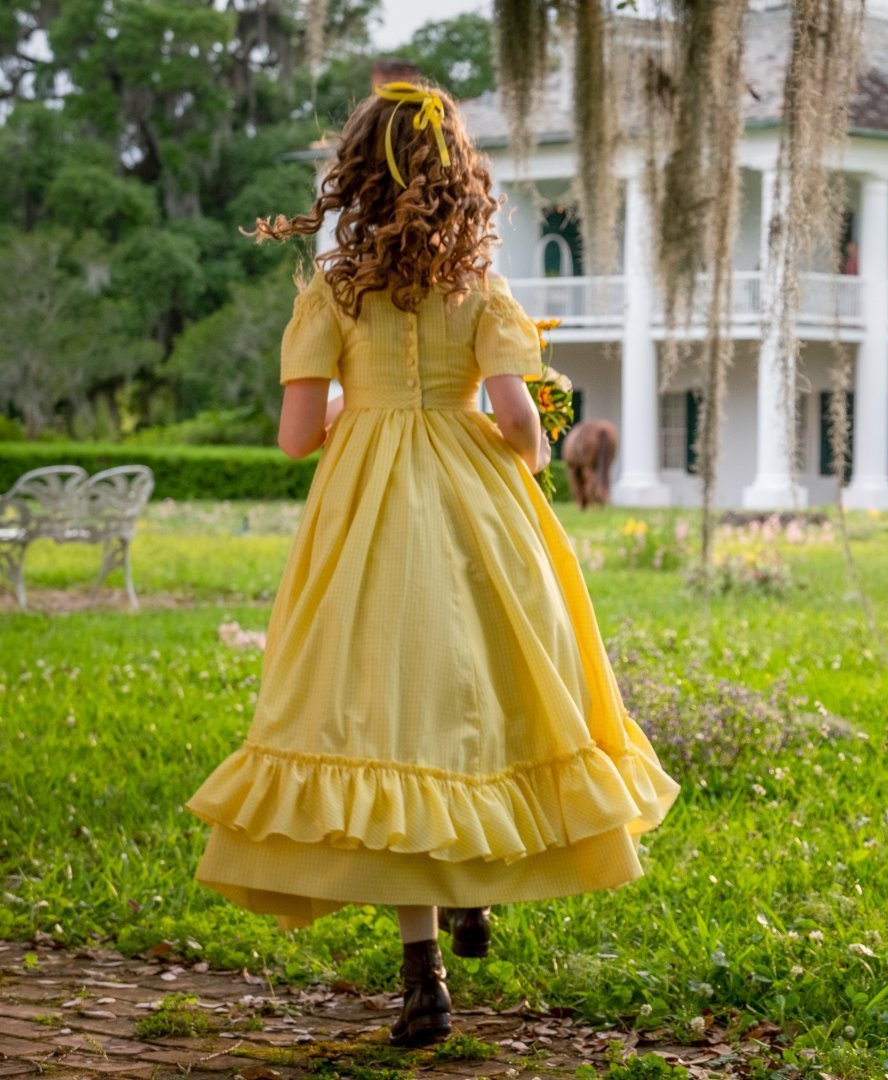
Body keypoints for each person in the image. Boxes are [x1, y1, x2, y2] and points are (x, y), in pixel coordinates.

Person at [184, 80, 681, 1048]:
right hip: (475, 506)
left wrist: (352, 413)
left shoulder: (331, 290)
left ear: (358, 174)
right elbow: (518, 422)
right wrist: (530, 456)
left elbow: (294, 439)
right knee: (488, 691)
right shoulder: (480, 285)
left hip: (365, 511)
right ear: (460, 176)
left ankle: (423, 974)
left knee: (388, 708)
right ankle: (476, 885)